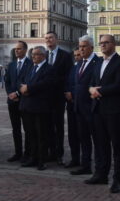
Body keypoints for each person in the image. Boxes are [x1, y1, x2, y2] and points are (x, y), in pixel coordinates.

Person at [87, 34, 120, 193]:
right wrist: (91, 89)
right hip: (97, 109)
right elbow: (92, 82)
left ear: (114, 44)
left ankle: (117, 179)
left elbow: (119, 85)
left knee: (116, 145)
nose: (103, 45)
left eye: (106, 43)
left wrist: (99, 91)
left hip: (113, 110)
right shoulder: (97, 62)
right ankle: (100, 174)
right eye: (101, 43)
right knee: (99, 144)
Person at [18, 46, 55, 171]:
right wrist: (23, 88)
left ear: (43, 56)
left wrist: (29, 88)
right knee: (30, 134)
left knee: (41, 135)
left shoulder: (49, 69)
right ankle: (32, 157)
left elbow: (45, 84)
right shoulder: (30, 67)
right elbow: (21, 81)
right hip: (27, 106)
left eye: (37, 54)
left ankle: (42, 160)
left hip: (40, 107)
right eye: (33, 54)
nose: (33, 56)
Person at [69, 36, 100, 176]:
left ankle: (100, 168)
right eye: (80, 46)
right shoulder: (80, 63)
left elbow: (97, 83)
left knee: (98, 140)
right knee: (83, 138)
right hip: (79, 107)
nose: (81, 49)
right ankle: (85, 165)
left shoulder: (97, 62)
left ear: (91, 47)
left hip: (92, 108)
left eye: (84, 46)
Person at [45, 31, 74, 165]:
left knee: (58, 125)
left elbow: (69, 75)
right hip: (44, 97)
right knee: (47, 125)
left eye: (51, 38)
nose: (48, 40)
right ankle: (49, 151)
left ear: (56, 39)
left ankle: (59, 153)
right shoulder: (42, 55)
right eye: (46, 38)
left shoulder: (65, 56)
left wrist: (66, 89)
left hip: (58, 96)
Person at [4, 41, 32, 162]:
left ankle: (27, 153)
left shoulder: (30, 64)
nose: (16, 51)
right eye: (16, 49)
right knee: (15, 128)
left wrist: (17, 93)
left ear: (25, 50)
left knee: (27, 128)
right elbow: (7, 81)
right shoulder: (11, 65)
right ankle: (18, 152)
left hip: (25, 101)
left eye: (19, 49)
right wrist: (10, 93)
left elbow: (28, 82)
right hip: (12, 101)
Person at [64, 48, 81, 168]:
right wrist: (67, 91)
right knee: (72, 134)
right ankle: (74, 158)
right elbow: (68, 82)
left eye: (78, 54)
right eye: (75, 55)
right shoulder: (73, 68)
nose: (77, 57)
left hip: (81, 106)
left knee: (83, 134)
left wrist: (73, 93)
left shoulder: (88, 67)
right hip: (71, 105)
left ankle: (85, 160)